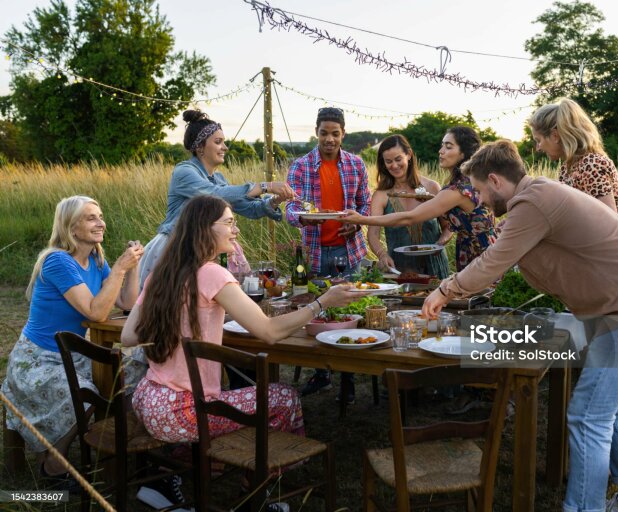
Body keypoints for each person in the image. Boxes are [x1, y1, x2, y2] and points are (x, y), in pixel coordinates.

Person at [422, 140, 618, 512]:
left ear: (495, 180)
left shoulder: (532, 203)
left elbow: (491, 263)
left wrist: (444, 290)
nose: (481, 201)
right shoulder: (538, 197)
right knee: (613, 408)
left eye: (482, 192)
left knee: (588, 416)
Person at [122, 195, 357, 511]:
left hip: (149, 400)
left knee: (242, 400)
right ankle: (255, 494)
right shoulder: (213, 274)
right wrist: (322, 302)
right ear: (205, 229)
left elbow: (128, 335)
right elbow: (270, 332)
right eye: (230, 223)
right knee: (284, 398)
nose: (236, 230)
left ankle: (166, 475)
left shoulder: (163, 273)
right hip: (184, 412)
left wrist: (184, 324)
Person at [1, 196, 143, 487]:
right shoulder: (57, 261)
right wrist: (118, 269)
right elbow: (96, 311)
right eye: (91, 217)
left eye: (101, 215)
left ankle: (124, 449)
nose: (101, 222)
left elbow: (127, 302)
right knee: (87, 390)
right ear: (71, 227)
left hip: (74, 354)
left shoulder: (95, 260)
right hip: (38, 359)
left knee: (136, 368)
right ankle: (53, 463)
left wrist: (133, 266)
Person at [139, 109, 295, 288]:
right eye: (218, 142)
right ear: (200, 147)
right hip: (178, 248)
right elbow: (213, 194)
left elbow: (249, 208)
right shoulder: (184, 171)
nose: (225, 147)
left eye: (224, 142)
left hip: (205, 252)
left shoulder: (219, 179)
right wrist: (265, 186)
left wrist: (275, 200)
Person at [284, 107, 371, 402]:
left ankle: (348, 377)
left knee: (351, 312)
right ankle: (322, 374)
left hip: (350, 251)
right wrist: (306, 218)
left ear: (343, 134)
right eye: (324, 133)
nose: (329, 139)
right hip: (316, 251)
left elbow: (366, 204)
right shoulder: (300, 166)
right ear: (316, 132)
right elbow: (290, 209)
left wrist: (356, 222)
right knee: (318, 312)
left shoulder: (356, 165)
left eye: (335, 133)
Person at [342, 126, 496, 272]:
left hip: (481, 259)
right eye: (388, 162)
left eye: (448, 147)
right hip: (468, 257)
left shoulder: (456, 189)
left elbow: (411, 218)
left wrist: (360, 219)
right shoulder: (459, 184)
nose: (440, 151)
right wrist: (382, 254)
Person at [529, 97, 618, 222]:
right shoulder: (566, 168)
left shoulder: (593, 164)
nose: (538, 148)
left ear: (555, 136)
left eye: (539, 140)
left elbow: (610, 222)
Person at [367, 134, 450, 278]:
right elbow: (373, 234)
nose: (394, 165)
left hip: (435, 267)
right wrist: (382, 255)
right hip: (400, 270)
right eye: (388, 161)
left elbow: (448, 227)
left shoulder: (432, 187)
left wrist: (438, 245)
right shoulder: (381, 195)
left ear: (409, 155)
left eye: (398, 159)